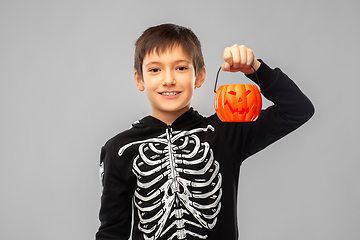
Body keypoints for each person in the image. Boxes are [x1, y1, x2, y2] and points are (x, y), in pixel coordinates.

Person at [95, 23, 314, 240]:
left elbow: (297, 109)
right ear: (139, 79)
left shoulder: (225, 133)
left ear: (200, 76)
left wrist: (255, 69)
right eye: (155, 70)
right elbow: (112, 233)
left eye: (181, 68)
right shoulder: (120, 150)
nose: (168, 79)